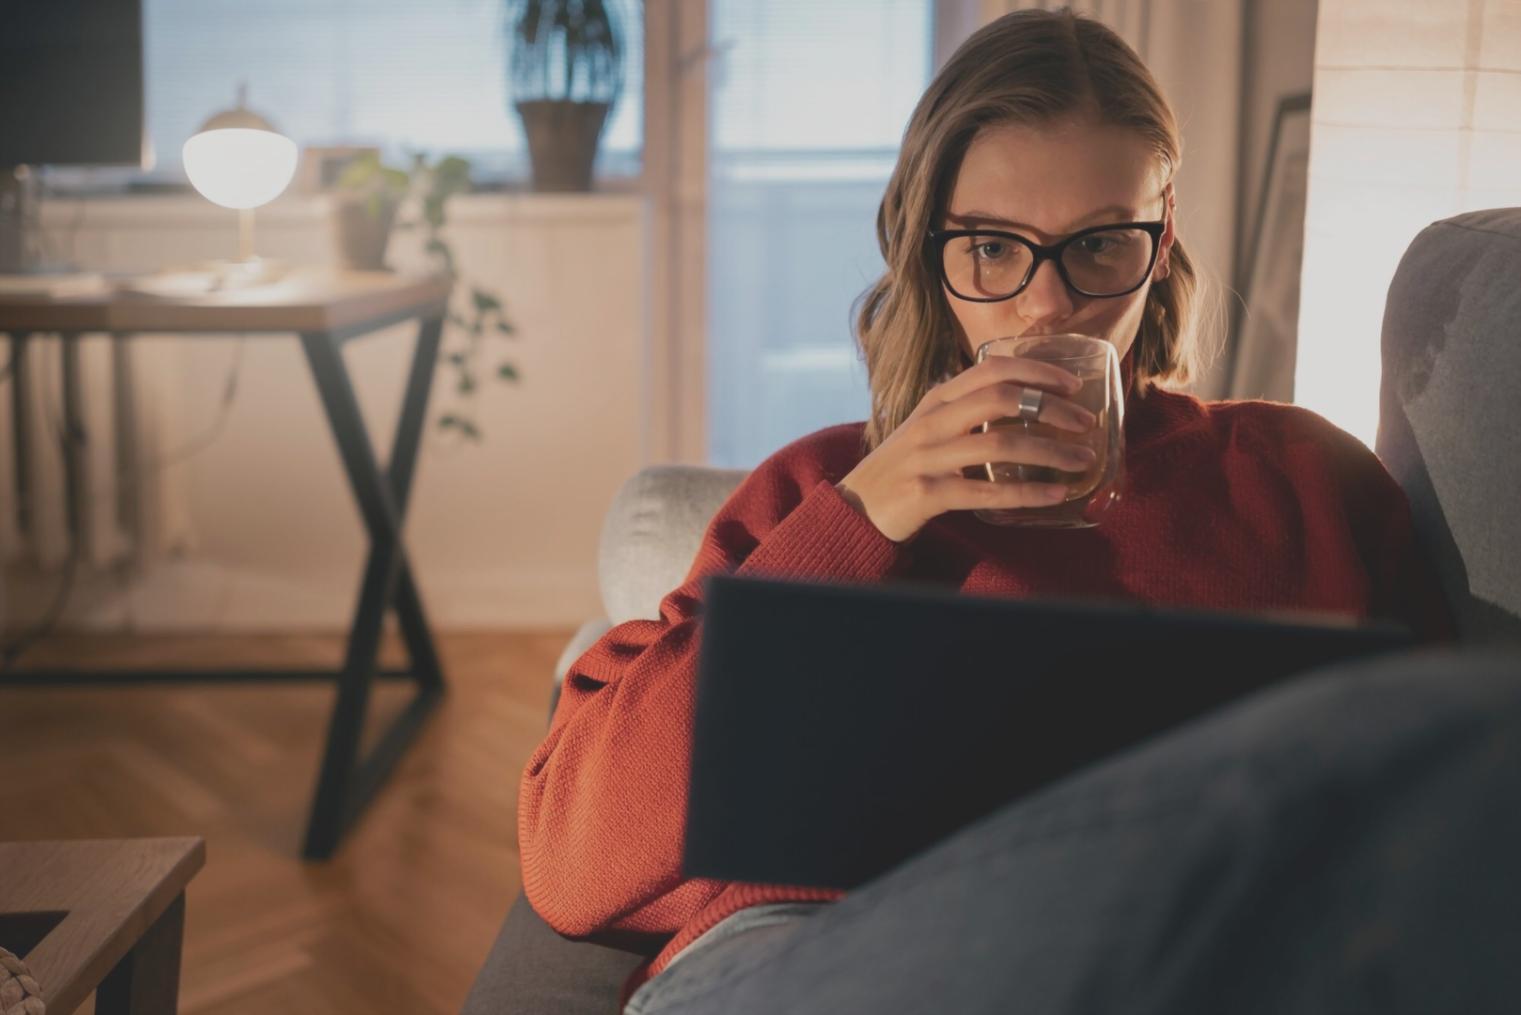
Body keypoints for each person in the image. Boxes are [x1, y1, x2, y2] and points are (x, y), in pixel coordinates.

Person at [516, 9, 1478, 1014]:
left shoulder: (1298, 477)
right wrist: (871, 509)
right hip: (830, 941)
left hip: (1183, 934)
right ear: (927, 246)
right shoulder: (818, 489)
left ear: (1163, 237)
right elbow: (571, 864)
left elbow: (1439, 806)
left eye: (1101, 245)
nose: (1047, 307)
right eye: (992, 249)